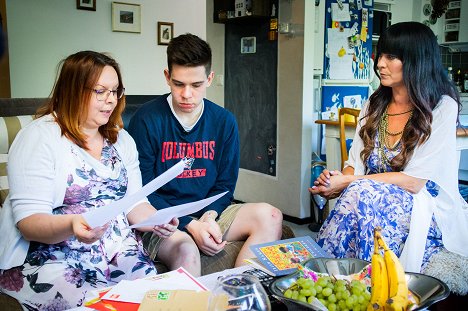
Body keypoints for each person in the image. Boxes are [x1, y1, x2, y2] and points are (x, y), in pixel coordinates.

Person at [0, 51, 178, 309]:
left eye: (115, 91)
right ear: (73, 90)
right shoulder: (38, 138)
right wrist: (74, 224)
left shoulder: (122, 140)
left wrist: (156, 219)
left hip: (118, 250)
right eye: (100, 91)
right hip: (51, 257)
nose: (111, 100)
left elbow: (134, 204)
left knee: (156, 301)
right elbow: (29, 223)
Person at [309, 22, 468, 273]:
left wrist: (351, 183)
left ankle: (332, 275)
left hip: (423, 206)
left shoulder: (441, 107)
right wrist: (337, 180)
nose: (380, 63)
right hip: (368, 201)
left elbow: (414, 182)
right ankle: (336, 277)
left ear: (417, 60)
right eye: (380, 54)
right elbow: (355, 164)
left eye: (391, 57)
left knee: (363, 191)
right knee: (362, 192)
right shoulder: (374, 104)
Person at [128, 33, 283, 277]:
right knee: (187, 250)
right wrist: (191, 224)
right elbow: (143, 191)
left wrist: (209, 217)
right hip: (165, 219)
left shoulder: (224, 121)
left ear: (209, 78)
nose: (187, 94)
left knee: (272, 215)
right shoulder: (146, 120)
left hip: (210, 212)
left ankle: (238, 294)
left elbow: (224, 185)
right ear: (167, 77)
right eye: (179, 84)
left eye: (196, 85)